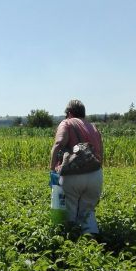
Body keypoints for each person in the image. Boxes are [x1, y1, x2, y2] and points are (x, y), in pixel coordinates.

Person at [50, 99, 103, 236]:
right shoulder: (94, 127)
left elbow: (58, 143)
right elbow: (100, 154)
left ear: (69, 113)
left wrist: (52, 170)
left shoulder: (67, 123)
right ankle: (92, 243)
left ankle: (71, 243)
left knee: (70, 210)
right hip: (95, 175)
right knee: (88, 211)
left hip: (72, 176)